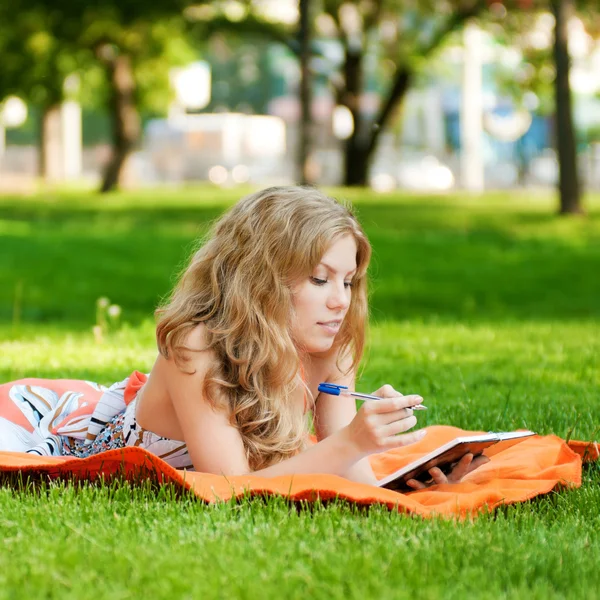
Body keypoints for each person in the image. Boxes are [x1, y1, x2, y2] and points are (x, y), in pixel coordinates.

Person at [0, 186, 485, 489]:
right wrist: (353, 442)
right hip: (90, 438)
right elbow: (230, 489)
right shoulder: (195, 347)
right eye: (320, 279)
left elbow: (347, 475)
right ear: (262, 277)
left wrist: (414, 484)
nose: (340, 301)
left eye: (348, 281)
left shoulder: (329, 346)